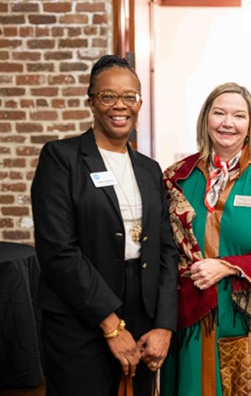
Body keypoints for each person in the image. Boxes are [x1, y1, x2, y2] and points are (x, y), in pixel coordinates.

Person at [31, 54, 179, 396]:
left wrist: (164, 325)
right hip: (78, 317)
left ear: (139, 103)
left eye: (129, 96)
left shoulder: (149, 169)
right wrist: (111, 325)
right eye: (108, 96)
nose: (120, 105)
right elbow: (58, 251)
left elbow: (166, 251)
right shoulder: (61, 158)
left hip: (142, 318)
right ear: (92, 102)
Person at [160, 82, 251, 396]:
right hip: (189, 317)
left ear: (250, 125)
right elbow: (159, 248)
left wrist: (229, 266)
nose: (228, 123)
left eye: (239, 116)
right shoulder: (176, 177)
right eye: (219, 113)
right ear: (206, 119)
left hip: (249, 321)